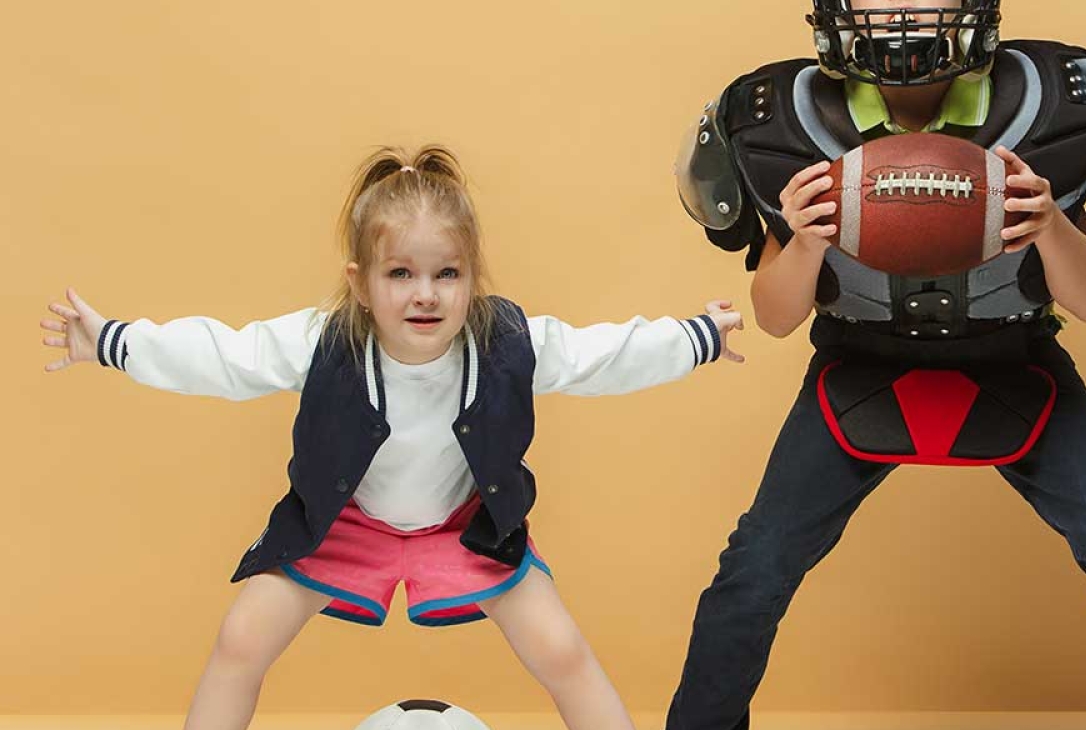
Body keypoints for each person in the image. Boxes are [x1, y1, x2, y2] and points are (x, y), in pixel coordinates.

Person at [40, 145, 744, 730]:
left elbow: (603, 357)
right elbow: (225, 356)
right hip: (345, 525)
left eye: (447, 274)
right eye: (400, 274)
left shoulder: (504, 341)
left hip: (465, 528)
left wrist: (699, 337)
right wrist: (111, 342)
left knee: (561, 651)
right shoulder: (326, 341)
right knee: (240, 640)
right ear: (360, 282)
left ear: (473, 277)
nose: (425, 294)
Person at [669, 2, 1086, 729]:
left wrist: (1049, 225)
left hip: (1014, 359)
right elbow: (775, 317)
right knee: (757, 564)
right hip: (859, 364)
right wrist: (802, 241)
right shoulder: (781, 123)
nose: (901, 15)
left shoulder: (1051, 108)